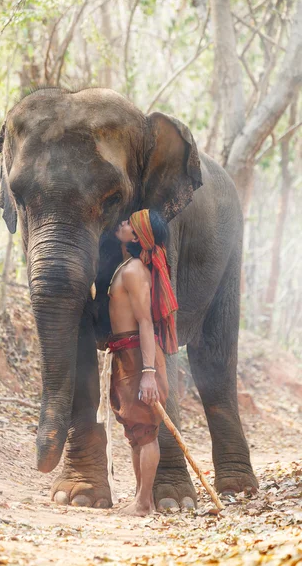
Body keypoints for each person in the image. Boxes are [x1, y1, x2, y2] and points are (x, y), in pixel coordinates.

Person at [108, 209, 178, 516]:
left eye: (129, 224)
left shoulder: (135, 270)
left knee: (146, 430)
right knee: (136, 431)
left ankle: (143, 502)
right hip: (127, 355)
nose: (122, 223)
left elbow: (146, 323)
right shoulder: (130, 266)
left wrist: (148, 372)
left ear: (137, 237)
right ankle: (141, 499)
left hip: (140, 358)